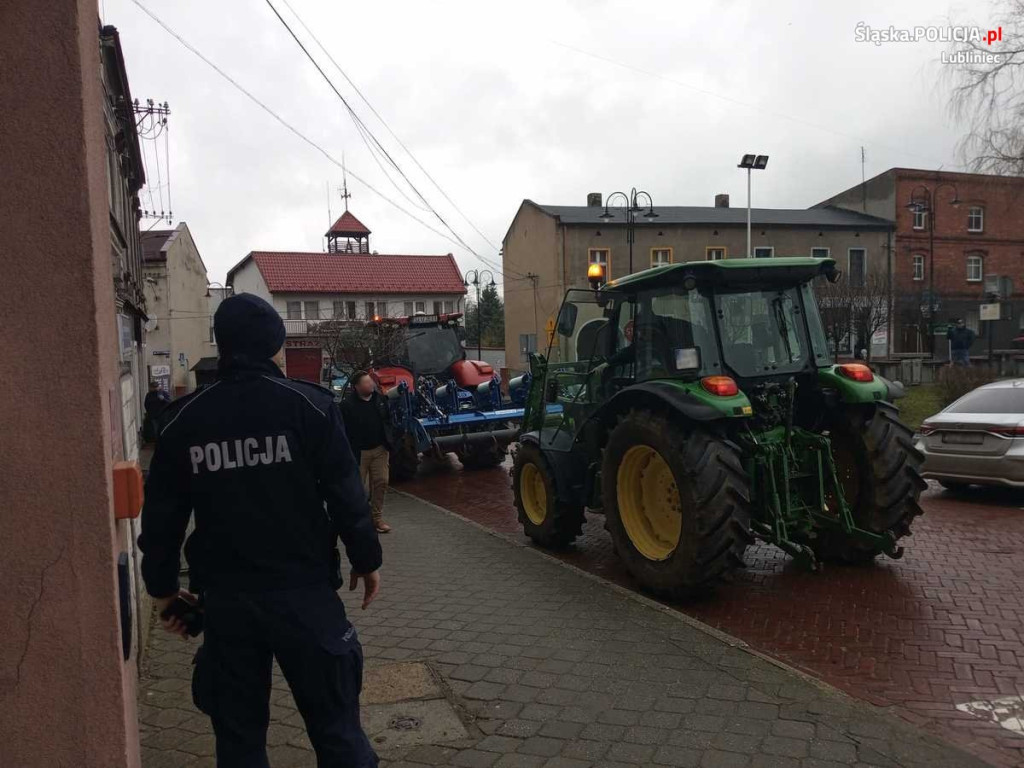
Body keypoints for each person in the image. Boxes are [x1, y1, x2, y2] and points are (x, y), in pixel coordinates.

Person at [139, 293, 382, 768]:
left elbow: (162, 517)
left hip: (228, 604)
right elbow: (346, 493)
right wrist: (367, 560)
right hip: (306, 596)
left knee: (239, 741)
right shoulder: (309, 407)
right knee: (337, 732)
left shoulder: (184, 421)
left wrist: (164, 591)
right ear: (274, 344)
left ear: (223, 345)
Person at [341, 371, 393, 534]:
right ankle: (360, 520)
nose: (370, 384)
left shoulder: (381, 400)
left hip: (379, 449)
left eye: (371, 381)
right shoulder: (346, 406)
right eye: (366, 382)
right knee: (358, 488)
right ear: (357, 387)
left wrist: (390, 440)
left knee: (381, 481)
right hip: (358, 452)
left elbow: (389, 421)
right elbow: (341, 430)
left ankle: (377, 518)